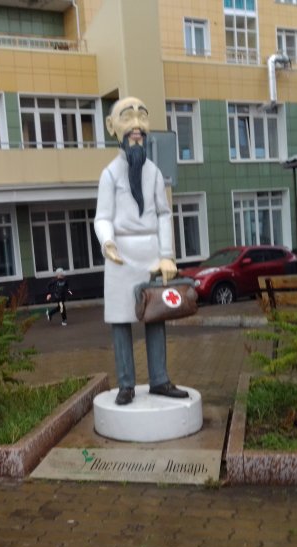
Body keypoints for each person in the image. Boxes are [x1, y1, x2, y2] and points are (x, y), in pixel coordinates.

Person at [94, 96, 190, 406]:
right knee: (121, 322)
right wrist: (107, 241)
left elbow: (163, 214)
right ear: (112, 127)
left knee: (155, 314)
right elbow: (102, 217)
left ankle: (160, 379)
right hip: (120, 256)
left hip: (150, 254)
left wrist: (167, 254)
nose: (137, 125)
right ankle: (126, 384)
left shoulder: (154, 173)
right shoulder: (109, 174)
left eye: (142, 117)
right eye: (127, 117)